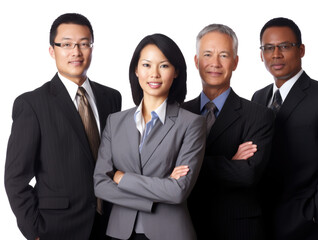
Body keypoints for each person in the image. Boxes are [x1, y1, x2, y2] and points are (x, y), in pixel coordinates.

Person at [4, 13, 122, 240]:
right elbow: (15, 179)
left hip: (110, 224)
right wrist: (35, 232)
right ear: (52, 50)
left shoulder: (111, 97)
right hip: (58, 228)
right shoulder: (32, 104)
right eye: (66, 44)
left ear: (91, 48)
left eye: (84, 44)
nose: (76, 52)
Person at [93, 33, 206, 240]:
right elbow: (100, 185)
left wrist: (121, 178)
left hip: (170, 233)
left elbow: (178, 191)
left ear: (176, 72)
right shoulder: (115, 121)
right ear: (136, 70)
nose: (154, 74)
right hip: (119, 233)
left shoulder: (191, 123)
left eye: (163, 66)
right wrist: (154, 196)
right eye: (146, 65)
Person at [252, 17, 318, 240]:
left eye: (285, 46)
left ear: (301, 50)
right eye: (268, 48)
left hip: (305, 226)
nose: (276, 54)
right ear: (261, 54)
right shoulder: (258, 98)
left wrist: (315, 214)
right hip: (261, 223)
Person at [182, 24, 275, 240]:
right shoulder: (179, 113)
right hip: (186, 226)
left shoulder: (259, 115)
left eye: (224, 55)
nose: (215, 63)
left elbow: (247, 174)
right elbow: (163, 167)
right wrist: (229, 162)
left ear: (235, 62)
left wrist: (188, 165)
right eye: (207, 54)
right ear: (196, 61)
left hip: (237, 230)